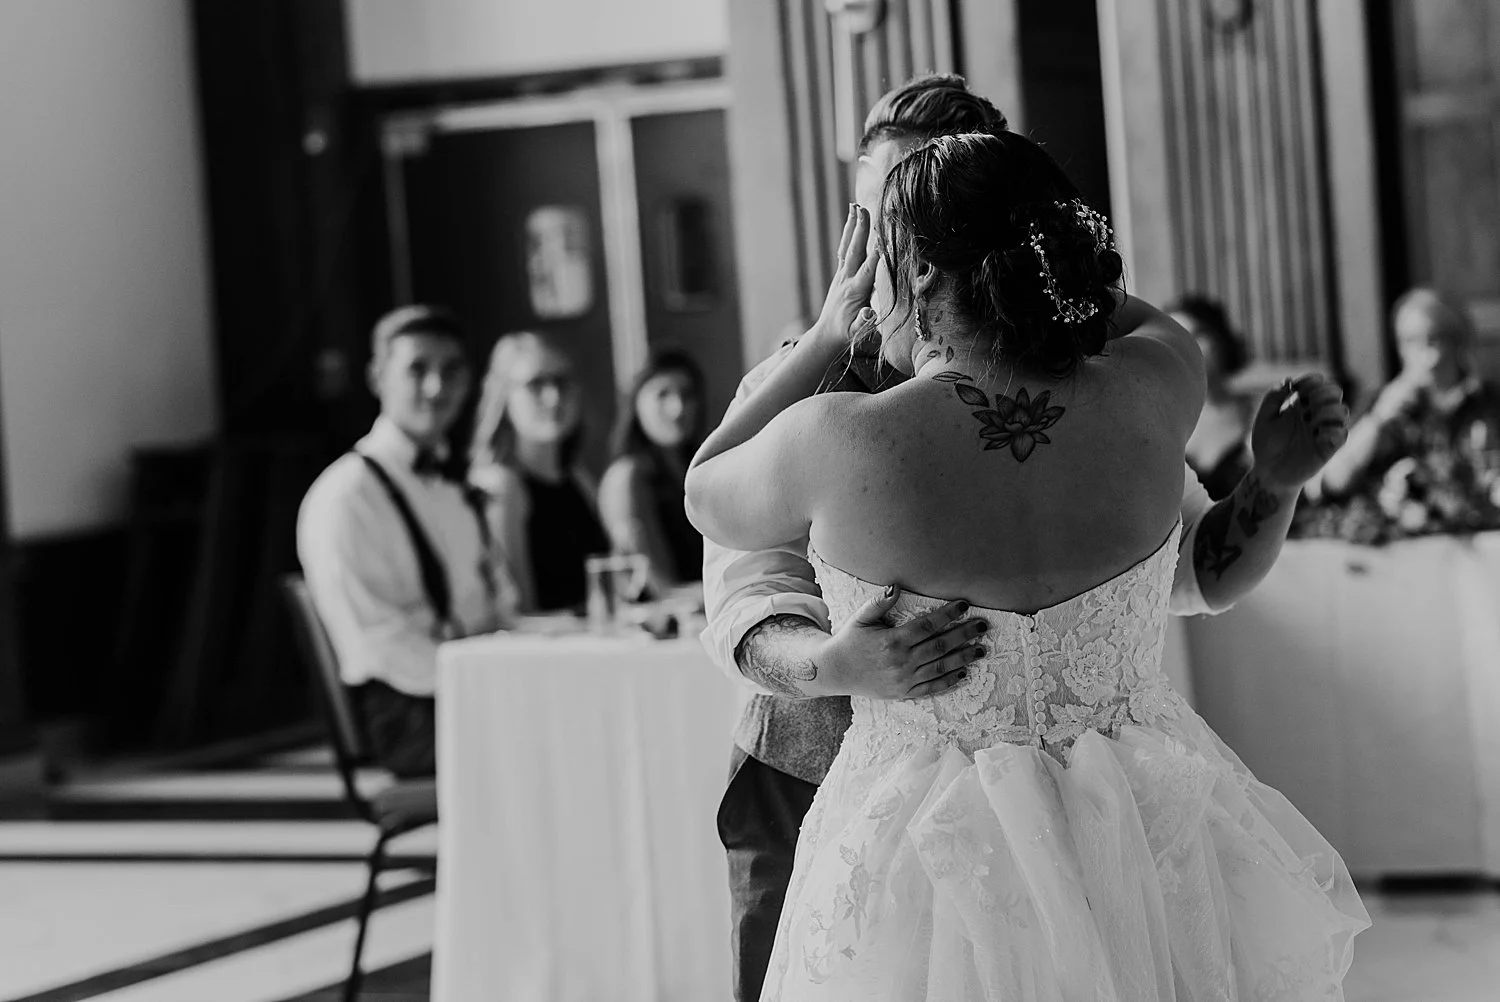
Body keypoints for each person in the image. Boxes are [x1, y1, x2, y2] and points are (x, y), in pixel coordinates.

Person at [701, 73, 1353, 1002]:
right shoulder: (1131, 385)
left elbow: (1194, 572)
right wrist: (836, 665)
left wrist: (1272, 487)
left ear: (917, 252)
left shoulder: (846, 432)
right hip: (815, 776)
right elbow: (744, 595)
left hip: (1091, 825)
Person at [298, 305, 511, 778]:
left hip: (478, 686)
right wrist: (491, 685)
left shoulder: (457, 485)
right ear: (377, 377)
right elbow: (380, 642)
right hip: (410, 712)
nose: (437, 388)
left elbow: (493, 597)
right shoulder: (346, 496)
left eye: (452, 370)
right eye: (417, 369)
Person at [1314, 286, 1500, 502]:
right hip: (1393, 529)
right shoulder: (1379, 403)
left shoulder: (1490, 403)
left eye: (1434, 339)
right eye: (1411, 341)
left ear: (1458, 342)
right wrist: (1379, 419)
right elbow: (1331, 482)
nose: (1427, 355)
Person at [468, 330, 610, 613]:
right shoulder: (502, 486)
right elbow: (521, 610)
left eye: (562, 382)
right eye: (535, 384)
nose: (554, 397)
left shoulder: (579, 478)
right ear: (504, 396)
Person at [598, 350, 707, 591]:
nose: (678, 408)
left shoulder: (703, 467)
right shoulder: (627, 476)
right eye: (662, 394)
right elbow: (656, 583)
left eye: (687, 395)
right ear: (636, 402)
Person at [1171, 294, 1256, 500]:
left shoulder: (1260, 410)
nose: (1186, 347)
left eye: (1196, 334)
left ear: (1220, 340)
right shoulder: (1160, 423)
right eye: (1175, 339)